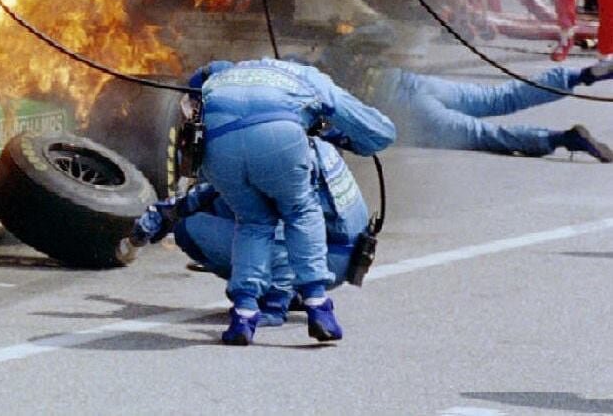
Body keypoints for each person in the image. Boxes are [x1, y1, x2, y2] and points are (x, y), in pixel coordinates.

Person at [187, 58, 396, 345]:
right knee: (300, 212)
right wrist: (351, 141)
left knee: (252, 222)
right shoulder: (307, 76)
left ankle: (244, 315)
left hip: (217, 142)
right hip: (277, 136)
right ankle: (317, 307)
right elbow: (378, 132)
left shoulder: (220, 81)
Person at [123, 133, 369, 330]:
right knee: (226, 206)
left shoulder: (271, 160)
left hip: (323, 261)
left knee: (191, 228)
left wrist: (275, 305)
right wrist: (161, 215)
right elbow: (204, 196)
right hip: (343, 259)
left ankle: (278, 296)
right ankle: (298, 292)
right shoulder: (307, 142)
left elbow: (284, 232)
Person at [320, 23, 613, 160]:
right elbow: (384, 32)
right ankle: (583, 75)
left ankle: (563, 139)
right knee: (500, 97)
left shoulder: (313, 99)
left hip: (408, 115)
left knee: (487, 136)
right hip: (414, 84)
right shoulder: (339, 53)